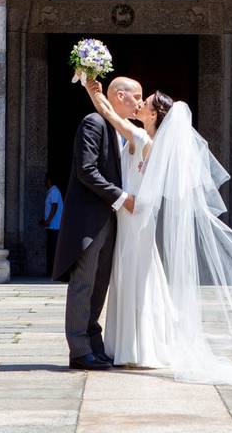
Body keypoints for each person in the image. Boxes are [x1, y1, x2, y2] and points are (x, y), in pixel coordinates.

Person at [84, 78, 232, 384]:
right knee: (139, 278)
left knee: (136, 277)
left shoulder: (141, 137)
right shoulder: (147, 140)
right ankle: (136, 346)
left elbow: (110, 114)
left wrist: (89, 87)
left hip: (134, 218)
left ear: (153, 115)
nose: (139, 104)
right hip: (133, 218)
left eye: (144, 102)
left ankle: (137, 349)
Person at [52, 76, 142, 371]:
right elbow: (86, 169)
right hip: (90, 219)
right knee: (84, 283)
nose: (139, 103)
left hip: (112, 220)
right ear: (119, 95)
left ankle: (94, 343)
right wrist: (121, 198)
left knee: (100, 284)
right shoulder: (93, 123)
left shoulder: (121, 130)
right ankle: (78, 349)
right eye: (135, 96)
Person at [39, 173, 64, 276]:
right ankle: (52, 271)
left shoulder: (54, 191)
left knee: (53, 250)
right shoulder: (52, 191)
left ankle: (53, 272)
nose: (44, 181)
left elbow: (54, 207)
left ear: (49, 180)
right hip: (52, 226)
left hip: (54, 226)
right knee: (51, 249)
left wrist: (47, 221)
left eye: (45, 179)